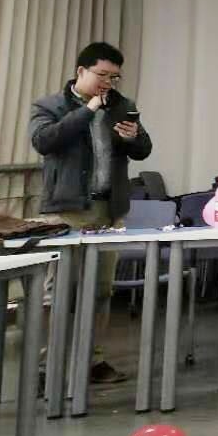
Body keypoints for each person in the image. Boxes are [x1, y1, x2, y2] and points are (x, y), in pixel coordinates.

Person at [29, 41, 152, 385]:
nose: (108, 83)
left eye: (114, 77)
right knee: (60, 291)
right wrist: (89, 109)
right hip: (69, 210)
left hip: (109, 210)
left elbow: (143, 149)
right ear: (81, 71)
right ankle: (48, 365)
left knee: (100, 290)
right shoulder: (50, 105)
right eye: (103, 75)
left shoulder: (122, 105)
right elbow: (44, 141)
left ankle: (92, 360)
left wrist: (134, 137)